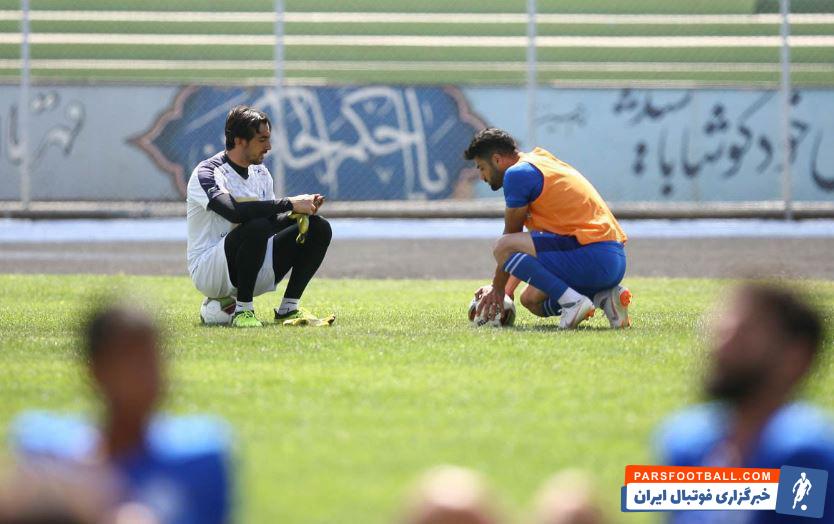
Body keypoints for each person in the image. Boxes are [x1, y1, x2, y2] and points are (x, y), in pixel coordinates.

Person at [11, 301, 232, 524]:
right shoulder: (49, 455)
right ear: (96, 370)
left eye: (152, 360)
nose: (147, 375)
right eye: (132, 362)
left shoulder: (201, 458)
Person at [655, 282, 834, 523]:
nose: (723, 347)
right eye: (721, 332)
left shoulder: (801, 455)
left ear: (795, 358)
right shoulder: (686, 441)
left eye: (742, 336)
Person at [463, 128, 630, 329]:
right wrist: (507, 291)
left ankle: (573, 303)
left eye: (481, 167)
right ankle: (605, 297)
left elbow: (510, 240)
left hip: (592, 255)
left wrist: (497, 289)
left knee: (502, 245)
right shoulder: (540, 159)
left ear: (497, 160)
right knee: (531, 300)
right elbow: (524, 248)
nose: (482, 176)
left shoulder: (517, 174)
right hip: (613, 261)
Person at [186, 105, 333, 327]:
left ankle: (288, 309)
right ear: (239, 140)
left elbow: (271, 223)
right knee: (256, 225)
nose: (269, 146)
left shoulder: (261, 172)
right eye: (262, 140)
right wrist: (289, 203)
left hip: (253, 266)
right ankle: (243, 311)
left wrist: (296, 214)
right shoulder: (207, 173)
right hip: (211, 272)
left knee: (318, 227)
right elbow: (234, 212)